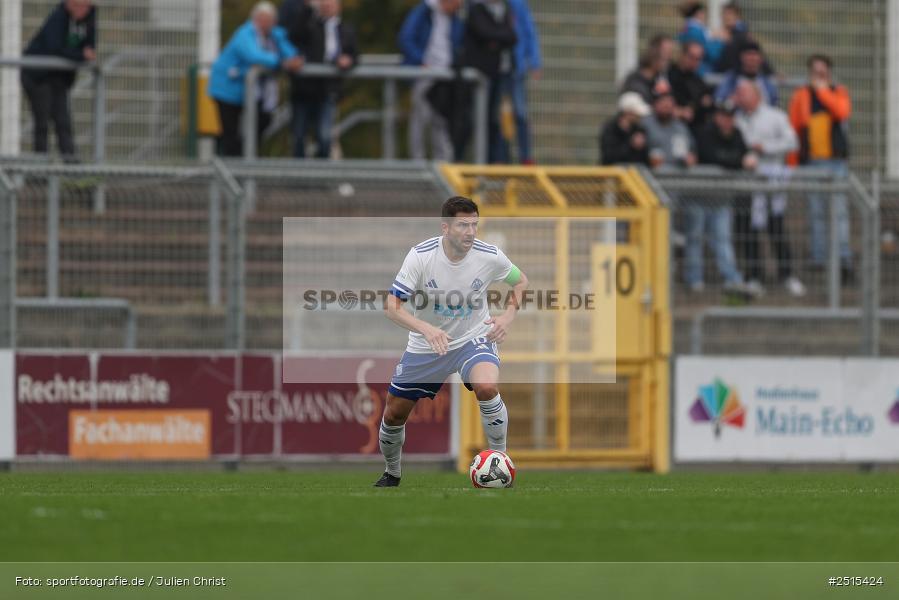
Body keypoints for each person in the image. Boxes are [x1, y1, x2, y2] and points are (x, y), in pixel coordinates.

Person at [374, 196, 528, 487]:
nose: (470, 232)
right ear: (445, 228)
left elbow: (521, 281)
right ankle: (391, 472)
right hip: (427, 345)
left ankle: (500, 460)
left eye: (474, 225)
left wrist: (507, 316)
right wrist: (426, 329)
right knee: (394, 414)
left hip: (474, 338)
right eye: (463, 225)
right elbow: (391, 306)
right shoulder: (421, 256)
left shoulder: (490, 255)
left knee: (486, 387)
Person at [734, 80, 805, 297]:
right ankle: (755, 276)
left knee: (776, 229)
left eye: (743, 93)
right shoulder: (736, 119)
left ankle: (787, 275)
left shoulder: (775, 116)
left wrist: (765, 148)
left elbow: (792, 142)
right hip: (748, 184)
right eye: (738, 94)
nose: (739, 97)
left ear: (756, 95)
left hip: (772, 184)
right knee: (749, 232)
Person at [788, 54, 853, 278]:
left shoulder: (838, 92)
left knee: (840, 212)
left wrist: (823, 91)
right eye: (815, 72)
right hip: (811, 162)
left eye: (822, 71)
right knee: (815, 213)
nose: (819, 75)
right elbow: (794, 129)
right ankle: (819, 258)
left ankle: (843, 259)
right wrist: (793, 163)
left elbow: (841, 112)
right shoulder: (801, 96)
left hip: (835, 163)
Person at [209, 2, 301, 157]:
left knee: (262, 121)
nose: (266, 24)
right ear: (256, 19)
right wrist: (280, 62)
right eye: (263, 19)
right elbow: (253, 55)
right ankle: (232, 169)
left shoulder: (275, 35)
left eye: (270, 20)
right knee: (230, 132)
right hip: (227, 89)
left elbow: (290, 52)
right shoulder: (244, 33)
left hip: (252, 93)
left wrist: (293, 59)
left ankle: (247, 160)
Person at [688, 100, 756, 295]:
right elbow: (713, 157)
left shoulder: (737, 135)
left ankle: (731, 278)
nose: (728, 121)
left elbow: (744, 155)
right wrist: (739, 162)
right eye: (724, 116)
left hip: (722, 199)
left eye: (731, 116)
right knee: (695, 238)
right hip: (698, 197)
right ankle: (694, 278)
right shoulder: (704, 133)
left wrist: (745, 159)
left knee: (723, 239)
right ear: (717, 117)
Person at [21, 0, 96, 160]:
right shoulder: (58, 17)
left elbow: (90, 47)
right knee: (42, 123)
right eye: (79, 5)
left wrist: (84, 53)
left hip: (58, 78)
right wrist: (80, 55)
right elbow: (55, 48)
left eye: (86, 6)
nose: (84, 9)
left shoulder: (89, 15)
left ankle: (72, 173)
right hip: (38, 76)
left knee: (63, 123)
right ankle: (39, 173)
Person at [288, 0, 358, 159]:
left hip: (328, 90)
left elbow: (354, 54)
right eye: (324, 5)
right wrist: (307, 8)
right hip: (304, 89)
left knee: (325, 136)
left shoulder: (346, 29)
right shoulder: (311, 26)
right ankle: (298, 178)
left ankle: (321, 176)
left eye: (331, 5)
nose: (328, 8)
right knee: (299, 136)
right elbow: (295, 35)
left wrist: (348, 60)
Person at [398, 0, 464, 161]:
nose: (459, 6)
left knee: (441, 118)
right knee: (421, 118)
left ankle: (442, 162)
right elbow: (405, 37)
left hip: (445, 75)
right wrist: (421, 60)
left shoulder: (455, 18)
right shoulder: (424, 12)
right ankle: (417, 161)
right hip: (425, 73)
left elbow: (458, 43)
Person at [460, 0, 517, 163]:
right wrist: (500, 37)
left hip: (499, 74)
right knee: (473, 119)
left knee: (496, 121)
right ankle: (462, 159)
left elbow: (512, 36)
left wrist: (496, 39)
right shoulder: (477, 9)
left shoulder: (505, 8)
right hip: (482, 76)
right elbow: (484, 32)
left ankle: (494, 161)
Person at [494, 0, 542, 164]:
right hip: (494, 69)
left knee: (520, 113)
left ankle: (525, 156)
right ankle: (500, 157)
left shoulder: (518, 4)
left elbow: (529, 31)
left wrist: (534, 62)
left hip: (516, 68)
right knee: (497, 115)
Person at [668, 41, 714, 138]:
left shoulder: (698, 80)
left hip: (697, 128)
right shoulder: (669, 75)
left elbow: (707, 100)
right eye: (691, 57)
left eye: (698, 59)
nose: (694, 62)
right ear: (682, 55)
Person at [714, 2, 773, 75]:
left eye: (730, 14)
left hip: (735, 76)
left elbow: (757, 55)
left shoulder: (742, 36)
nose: (727, 17)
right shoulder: (716, 35)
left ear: (737, 17)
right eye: (725, 14)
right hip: (720, 73)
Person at [643, 90, 696, 171]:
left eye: (669, 105)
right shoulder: (645, 124)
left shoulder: (681, 127)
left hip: (679, 174)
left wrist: (691, 157)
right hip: (649, 174)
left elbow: (692, 150)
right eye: (663, 104)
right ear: (655, 105)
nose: (667, 107)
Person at [715, 41, 778, 106]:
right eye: (749, 54)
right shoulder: (731, 79)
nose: (752, 58)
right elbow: (719, 100)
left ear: (760, 58)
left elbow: (773, 103)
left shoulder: (766, 81)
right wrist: (731, 101)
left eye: (755, 54)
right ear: (741, 57)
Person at [599, 92, 650, 165]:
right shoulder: (610, 129)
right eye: (636, 113)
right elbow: (608, 157)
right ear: (627, 112)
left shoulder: (640, 130)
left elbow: (644, 160)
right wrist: (631, 145)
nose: (640, 116)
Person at [677, 2, 723, 76]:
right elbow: (710, 53)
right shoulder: (697, 31)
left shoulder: (686, 28)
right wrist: (719, 42)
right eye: (703, 13)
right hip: (701, 71)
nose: (705, 16)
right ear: (698, 13)